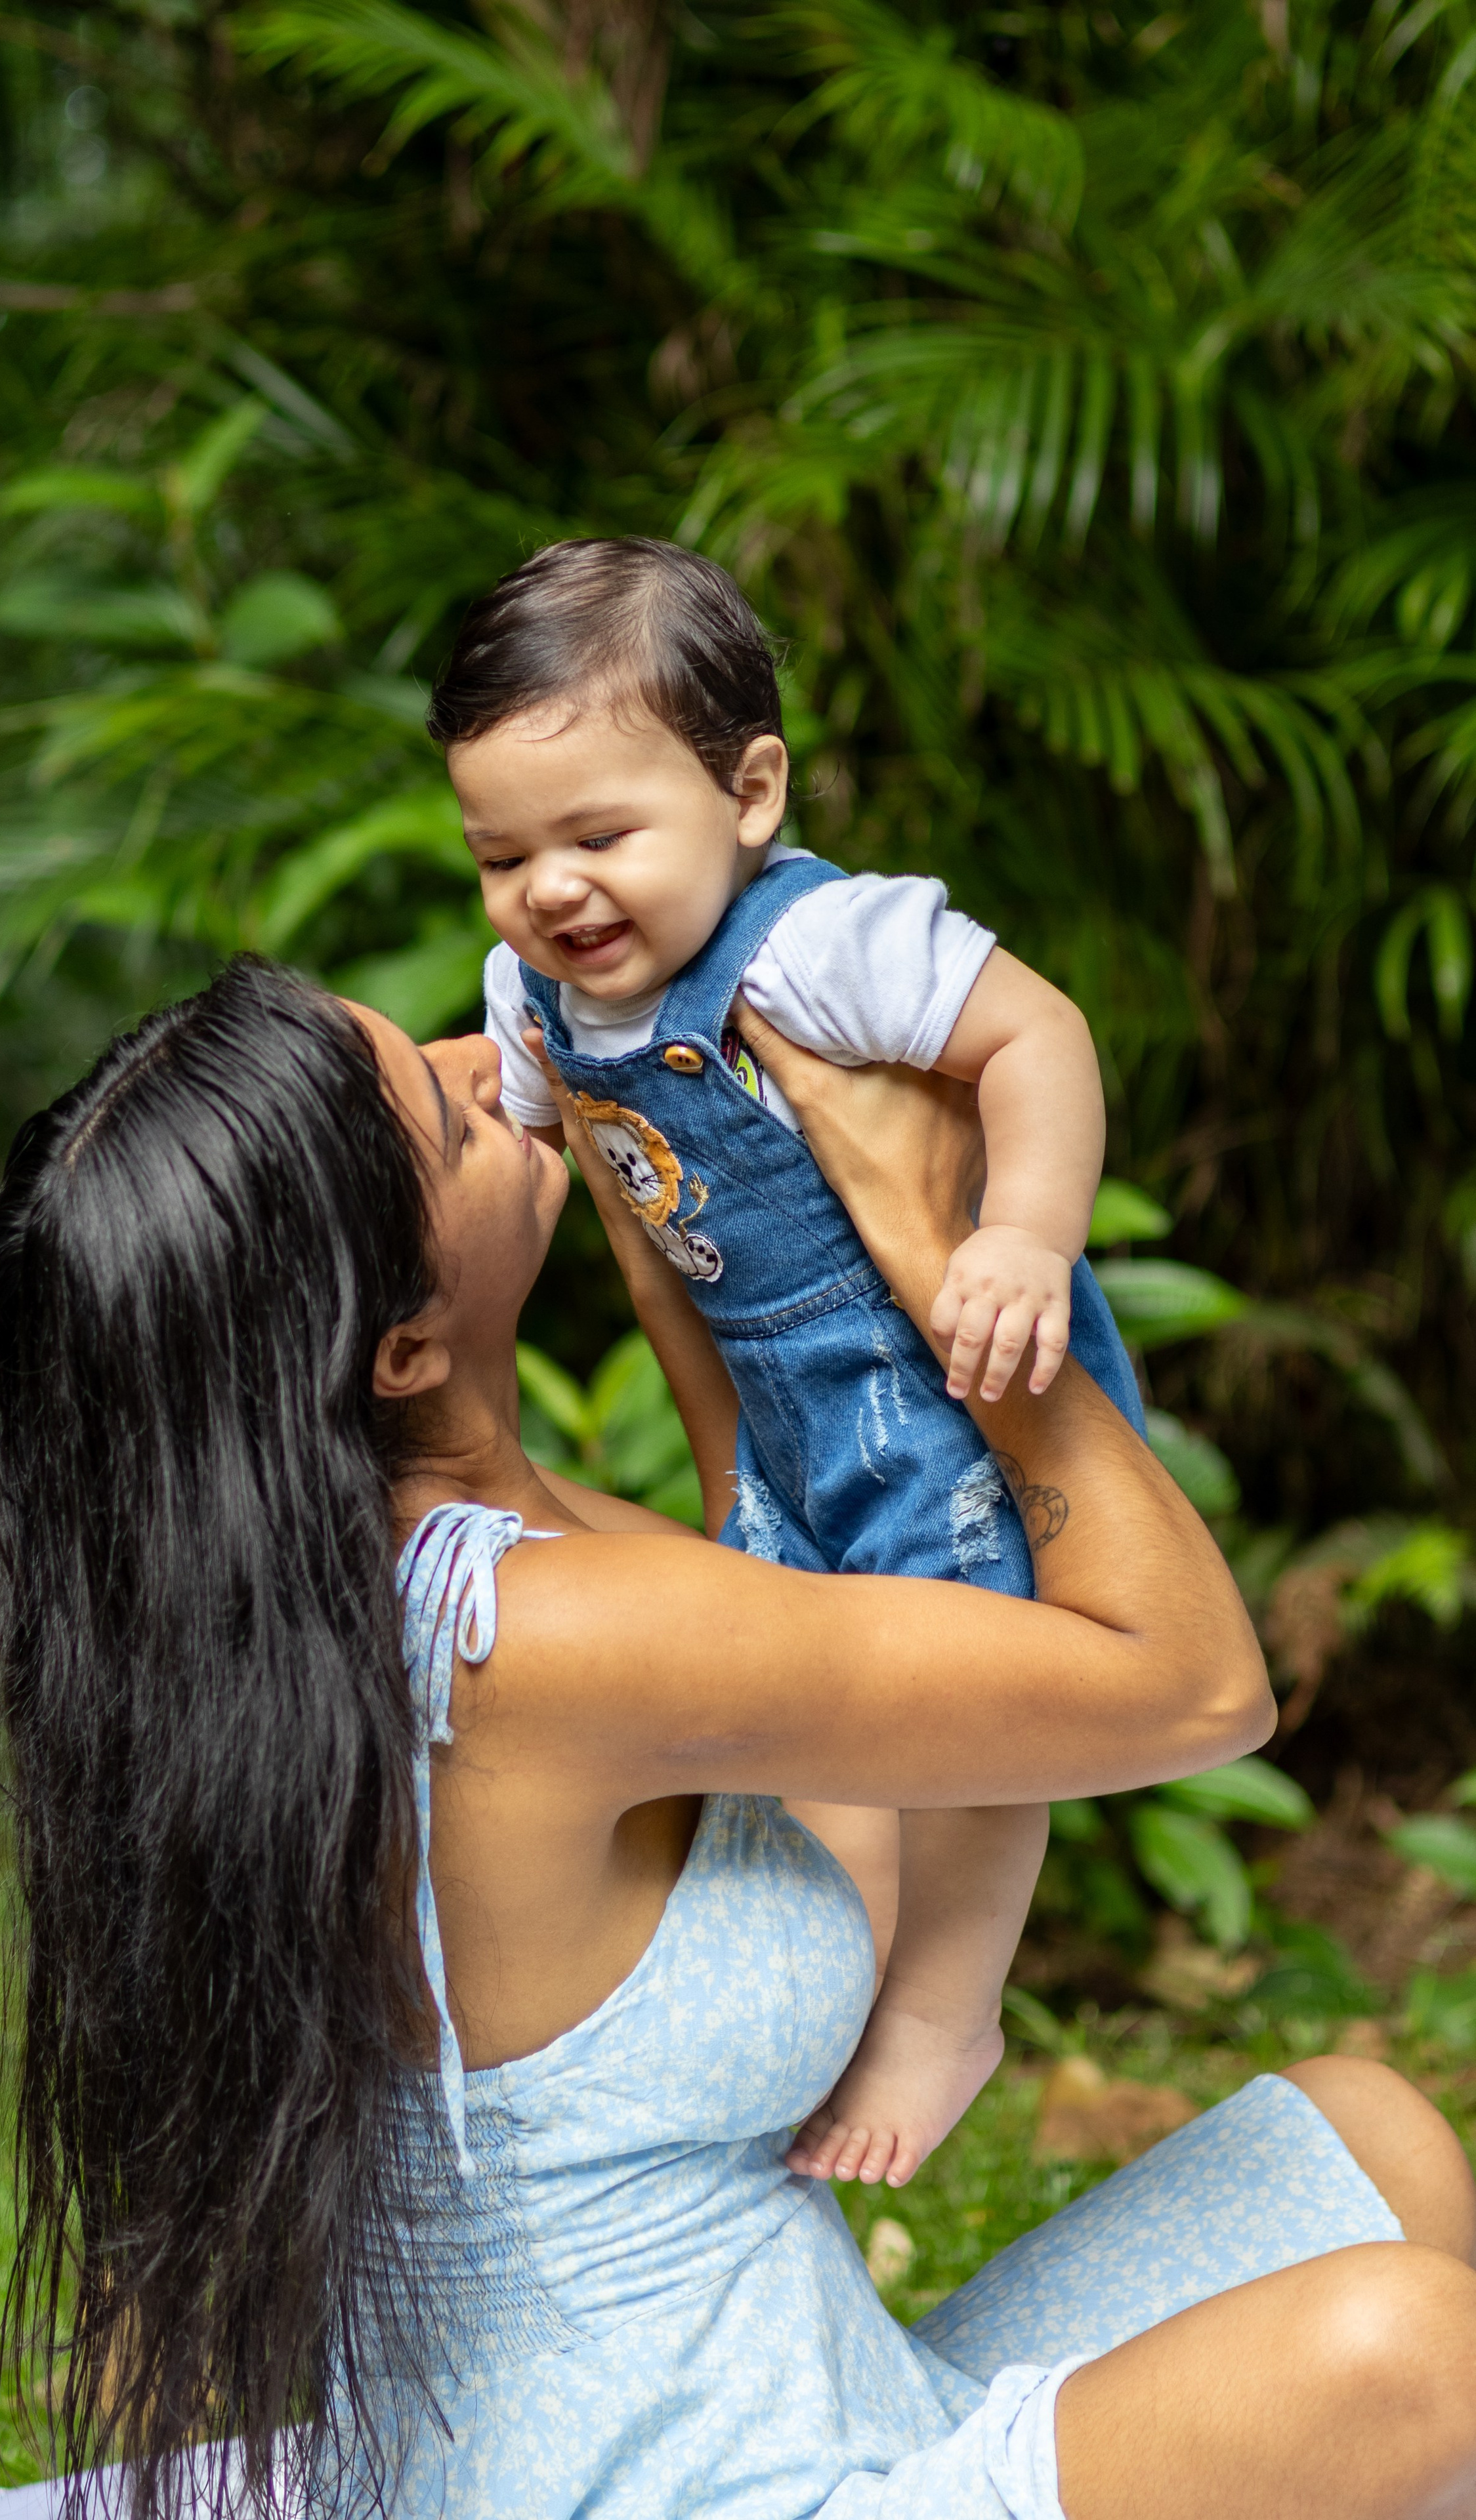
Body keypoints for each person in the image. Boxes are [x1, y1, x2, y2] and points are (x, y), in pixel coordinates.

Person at [0, 951, 1476, 2520]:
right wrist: (927, 1231)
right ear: (400, 1348)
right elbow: (1190, 1685)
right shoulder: (532, 1643)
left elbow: (785, 1623)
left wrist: (668, 1196)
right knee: (1412, 2355)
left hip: (805, 2403)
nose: (488, 1060)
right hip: (688, 2490)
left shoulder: (362, 1617)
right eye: (453, 1111)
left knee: (1365, 2140)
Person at [437, 534, 1141, 2189]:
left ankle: (945, 2010)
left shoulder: (821, 945)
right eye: (500, 853)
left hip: (936, 1385)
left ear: (746, 791)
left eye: (600, 833)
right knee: (801, 1734)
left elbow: (1036, 1034)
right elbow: (555, 1183)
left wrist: (1022, 1236)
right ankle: (828, 2005)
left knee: (977, 1717)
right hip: (776, 1414)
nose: (549, 890)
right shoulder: (535, 1002)